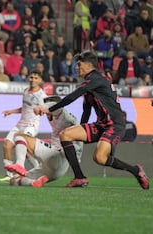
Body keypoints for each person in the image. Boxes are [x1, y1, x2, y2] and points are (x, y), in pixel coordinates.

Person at [35, 50, 149, 189]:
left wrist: (50, 109)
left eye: (79, 64)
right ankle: (79, 177)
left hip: (115, 124)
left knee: (99, 158)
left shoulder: (95, 79)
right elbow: (87, 110)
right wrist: (80, 132)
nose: (77, 68)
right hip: (102, 124)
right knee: (66, 134)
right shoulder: (91, 83)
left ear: (89, 66)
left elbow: (73, 96)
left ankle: (136, 171)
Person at [7, 96, 83, 187]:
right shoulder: (63, 119)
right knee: (14, 180)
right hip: (58, 170)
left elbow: (54, 105)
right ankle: (34, 183)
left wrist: (40, 107)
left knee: (19, 136)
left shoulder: (60, 110)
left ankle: (19, 164)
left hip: (58, 156)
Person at [0, 69, 47, 181]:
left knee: (24, 147)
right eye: (31, 77)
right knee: (7, 144)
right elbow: (24, 109)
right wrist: (11, 111)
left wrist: (41, 110)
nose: (33, 80)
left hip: (31, 125)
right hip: (20, 124)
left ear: (40, 80)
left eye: (36, 78)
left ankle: (33, 169)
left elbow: (45, 110)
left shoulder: (42, 95)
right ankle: (9, 175)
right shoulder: (25, 91)